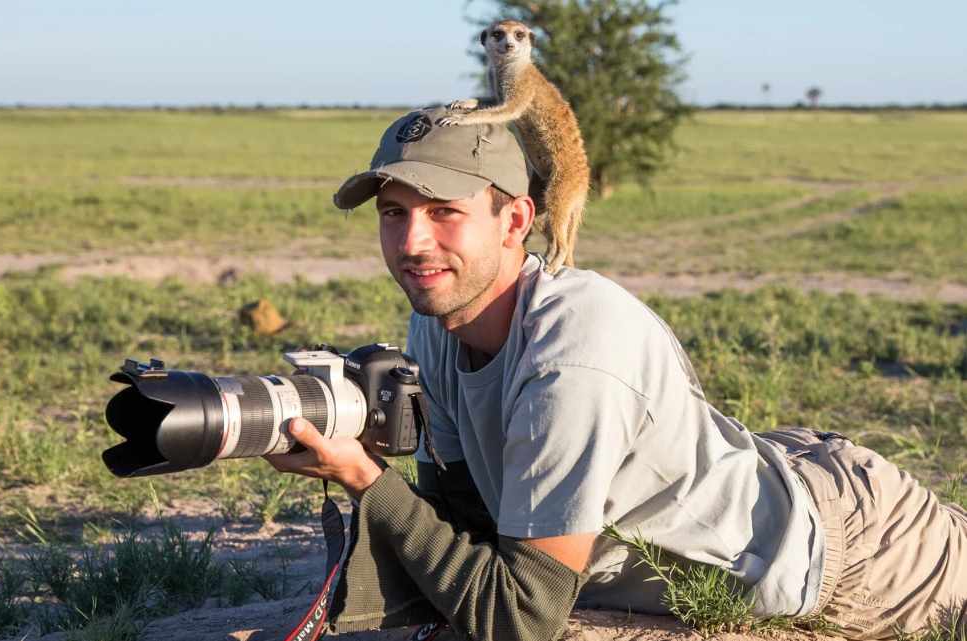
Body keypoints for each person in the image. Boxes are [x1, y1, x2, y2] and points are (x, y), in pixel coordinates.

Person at [263, 106, 966, 640]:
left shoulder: (572, 353)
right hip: (765, 464)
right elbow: (470, 517)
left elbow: (521, 615)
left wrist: (365, 478)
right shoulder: (438, 316)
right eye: (394, 213)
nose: (413, 244)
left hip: (852, 551)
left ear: (516, 222)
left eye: (444, 212)